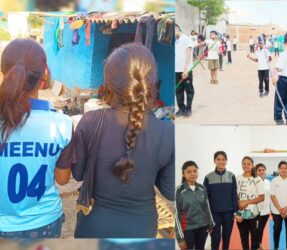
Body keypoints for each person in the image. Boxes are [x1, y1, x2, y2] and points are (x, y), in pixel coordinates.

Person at [72, 43, 174, 238]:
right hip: (141, 229)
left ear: (108, 81)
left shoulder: (90, 121)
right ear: (151, 81)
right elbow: (169, 191)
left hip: (93, 227)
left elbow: (77, 174)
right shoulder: (168, 132)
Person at [0, 39, 73, 238]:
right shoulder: (62, 124)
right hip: (44, 224)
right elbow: (63, 179)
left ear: (5, 72)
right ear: (44, 75)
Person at [176, 161, 215, 250]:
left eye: (195, 171)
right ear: (183, 174)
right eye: (189, 172)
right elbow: (176, 215)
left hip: (202, 227)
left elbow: (207, 208)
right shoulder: (179, 191)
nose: (192, 174)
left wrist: (210, 223)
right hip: (188, 229)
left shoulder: (202, 188)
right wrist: (180, 238)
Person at [203, 151, 239, 250]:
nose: (221, 161)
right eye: (218, 159)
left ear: (226, 161)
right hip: (214, 214)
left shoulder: (231, 175)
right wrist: (207, 215)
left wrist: (235, 212)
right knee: (215, 239)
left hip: (228, 213)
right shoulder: (208, 177)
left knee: (226, 238)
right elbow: (205, 198)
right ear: (214, 161)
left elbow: (234, 195)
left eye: (223, 159)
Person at [236, 156, 265, 250]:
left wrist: (246, 202)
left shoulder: (257, 179)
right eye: (244, 163)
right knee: (243, 239)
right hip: (241, 214)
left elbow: (261, 197)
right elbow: (234, 197)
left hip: (254, 214)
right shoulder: (237, 178)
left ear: (252, 165)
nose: (246, 166)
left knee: (255, 240)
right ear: (241, 164)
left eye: (248, 164)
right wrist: (236, 212)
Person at [270, 161, 287, 250]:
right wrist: (280, 209)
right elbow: (272, 196)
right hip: (277, 211)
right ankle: (276, 247)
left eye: (285, 168)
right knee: (277, 230)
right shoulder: (274, 180)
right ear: (278, 169)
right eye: (281, 168)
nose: (283, 170)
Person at [175, 24, 195, 118]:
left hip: (186, 70)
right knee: (178, 90)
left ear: (177, 29)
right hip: (176, 70)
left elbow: (188, 54)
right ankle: (181, 109)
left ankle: (188, 108)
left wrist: (186, 70)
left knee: (188, 90)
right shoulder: (175, 41)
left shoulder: (186, 39)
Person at [254, 163, 271, 250]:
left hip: (266, 211)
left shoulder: (268, 182)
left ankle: (259, 244)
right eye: (259, 170)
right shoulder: (254, 181)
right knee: (257, 230)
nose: (261, 172)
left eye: (263, 170)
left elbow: (270, 196)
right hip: (257, 211)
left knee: (261, 229)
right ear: (256, 172)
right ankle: (256, 246)